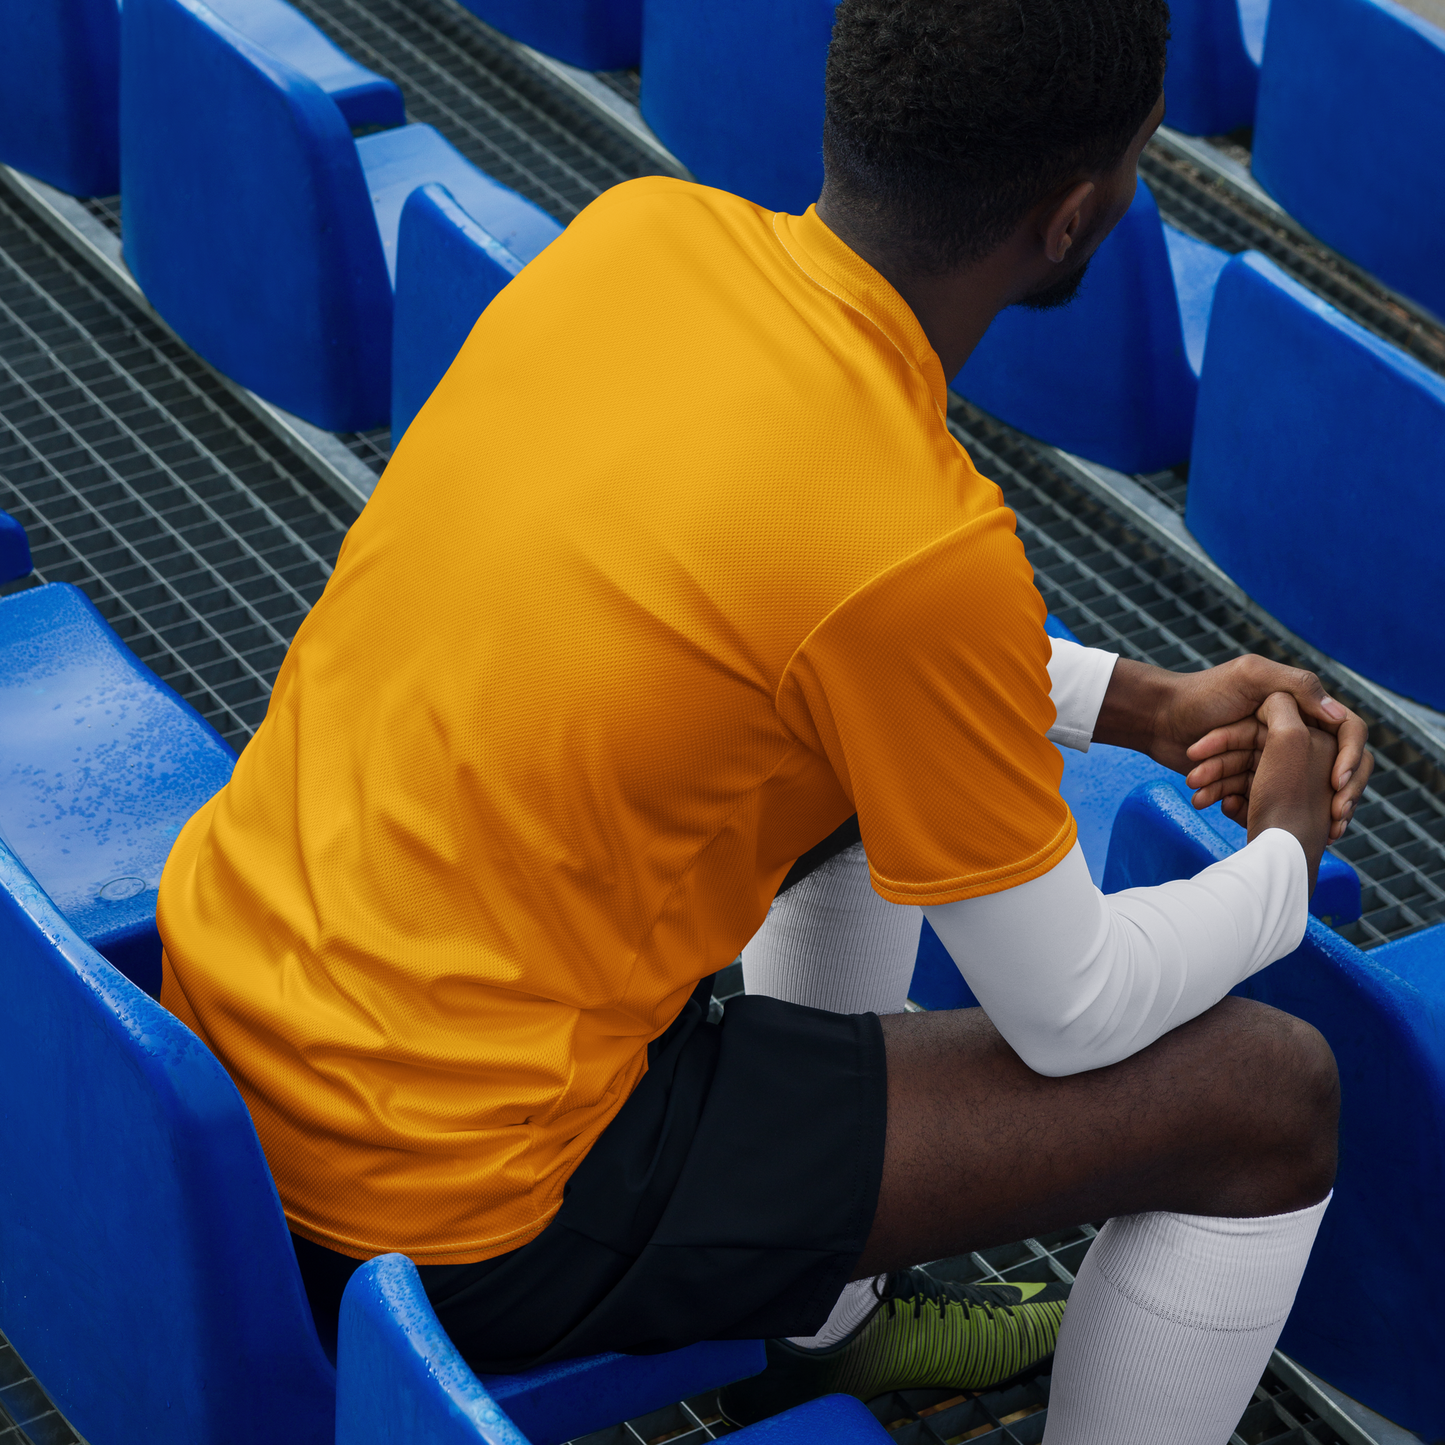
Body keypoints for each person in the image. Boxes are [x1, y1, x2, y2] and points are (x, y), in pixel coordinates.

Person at [156, 0, 1374, 1440]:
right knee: (1266, 1098)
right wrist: (1282, 865)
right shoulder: (917, 540)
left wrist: (1140, 703)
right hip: (457, 1205)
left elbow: (806, 628)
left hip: (231, 1055)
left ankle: (826, 1335)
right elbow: (1073, 1010)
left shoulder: (637, 238)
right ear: (1074, 220)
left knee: (850, 774)